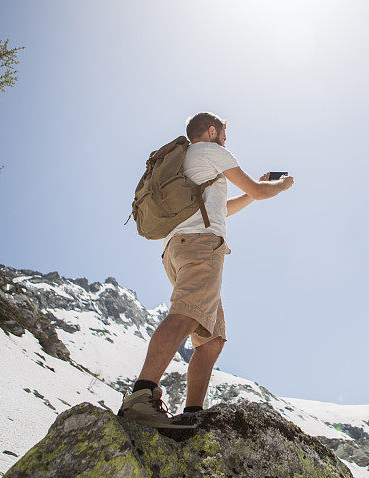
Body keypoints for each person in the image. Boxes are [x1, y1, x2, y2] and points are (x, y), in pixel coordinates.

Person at [117, 111, 294, 428]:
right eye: (224, 135)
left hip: (177, 248)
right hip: (201, 246)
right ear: (212, 131)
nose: (226, 141)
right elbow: (259, 190)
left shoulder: (190, 160)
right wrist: (280, 185)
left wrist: (256, 192)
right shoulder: (211, 151)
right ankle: (140, 400)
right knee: (185, 314)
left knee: (211, 339)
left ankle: (193, 413)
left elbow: (222, 209)